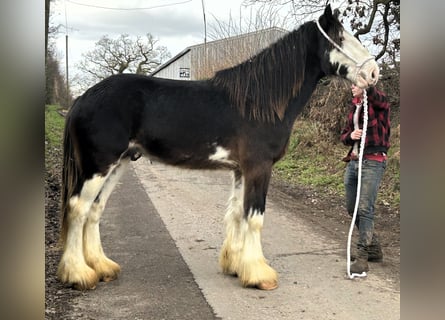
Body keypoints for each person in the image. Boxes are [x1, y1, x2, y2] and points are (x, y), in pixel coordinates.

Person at [340, 83, 390, 274]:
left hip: (372, 161)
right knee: (352, 207)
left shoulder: (379, 102)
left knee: (365, 208)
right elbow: (343, 135)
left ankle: (363, 257)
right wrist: (350, 135)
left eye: (355, 83)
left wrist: (366, 83)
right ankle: (374, 248)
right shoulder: (354, 106)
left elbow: (375, 95)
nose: (351, 86)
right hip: (353, 161)